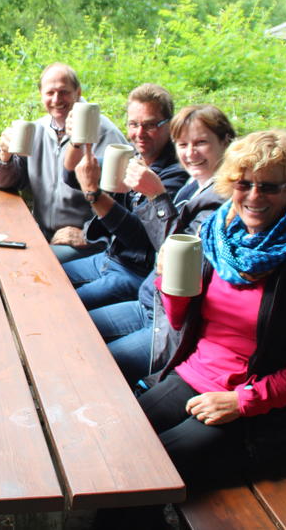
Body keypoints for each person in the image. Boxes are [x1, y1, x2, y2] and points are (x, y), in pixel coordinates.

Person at [102, 130, 286, 528]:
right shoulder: (221, 231)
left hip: (256, 402)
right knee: (121, 442)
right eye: (243, 183)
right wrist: (170, 281)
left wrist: (241, 401)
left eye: (269, 187)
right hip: (195, 371)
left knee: (148, 470)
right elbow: (181, 321)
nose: (253, 196)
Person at [89, 105, 235, 386]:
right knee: (78, 331)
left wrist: (156, 196)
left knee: (98, 366)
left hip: (172, 324)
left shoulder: (224, 199)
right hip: (149, 303)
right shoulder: (194, 186)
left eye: (201, 142)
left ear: (226, 141)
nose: (190, 153)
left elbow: (177, 258)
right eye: (183, 144)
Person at [59, 83, 187, 309]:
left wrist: (94, 193)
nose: (139, 133)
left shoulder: (175, 174)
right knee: (46, 278)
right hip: (108, 257)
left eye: (150, 125)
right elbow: (71, 175)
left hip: (135, 272)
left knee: (65, 305)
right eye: (134, 124)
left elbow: (139, 238)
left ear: (170, 125)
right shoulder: (132, 155)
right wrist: (76, 141)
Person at [0, 62, 128, 263]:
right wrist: (4, 155)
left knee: (31, 264)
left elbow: (126, 200)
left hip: (90, 243)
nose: (56, 99)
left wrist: (88, 233)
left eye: (64, 92)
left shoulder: (105, 133)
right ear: (40, 95)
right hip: (42, 234)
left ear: (78, 92)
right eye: (50, 93)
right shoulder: (36, 130)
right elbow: (2, 182)